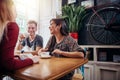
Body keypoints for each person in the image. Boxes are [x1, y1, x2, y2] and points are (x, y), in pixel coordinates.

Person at [0, 0, 39, 73]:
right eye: (29, 28)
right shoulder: (24, 36)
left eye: (33, 28)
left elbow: (37, 52)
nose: (30, 30)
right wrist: (20, 40)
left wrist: (23, 53)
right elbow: (17, 50)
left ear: (36, 29)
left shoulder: (39, 38)